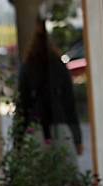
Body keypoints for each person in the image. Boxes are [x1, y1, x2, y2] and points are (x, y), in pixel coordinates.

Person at [17, 17, 83, 157]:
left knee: (36, 172)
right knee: (64, 172)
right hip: (59, 124)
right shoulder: (58, 65)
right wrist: (77, 139)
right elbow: (69, 104)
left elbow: (22, 105)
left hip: (35, 126)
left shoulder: (28, 65)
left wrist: (18, 142)